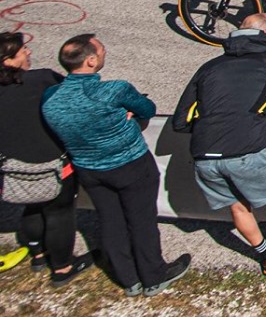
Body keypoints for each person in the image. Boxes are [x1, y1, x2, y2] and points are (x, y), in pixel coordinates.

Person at [172, 12, 266, 273]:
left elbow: (180, 121)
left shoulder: (209, 67)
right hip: (246, 151)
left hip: (203, 155)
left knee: (238, 207)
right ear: (265, 35)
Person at [40, 34, 191, 295]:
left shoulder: (51, 97)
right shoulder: (114, 90)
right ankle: (153, 274)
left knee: (110, 220)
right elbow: (148, 109)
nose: (104, 53)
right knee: (141, 219)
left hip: (88, 168)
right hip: (130, 164)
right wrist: (127, 116)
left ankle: (128, 278)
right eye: (101, 50)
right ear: (90, 60)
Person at [0, 32, 81, 283]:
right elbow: (73, 99)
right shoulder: (43, 79)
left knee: (32, 206)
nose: (29, 52)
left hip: (13, 167)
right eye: (23, 50)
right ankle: (62, 268)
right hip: (54, 163)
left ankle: (38, 254)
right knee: (59, 212)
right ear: (8, 61)